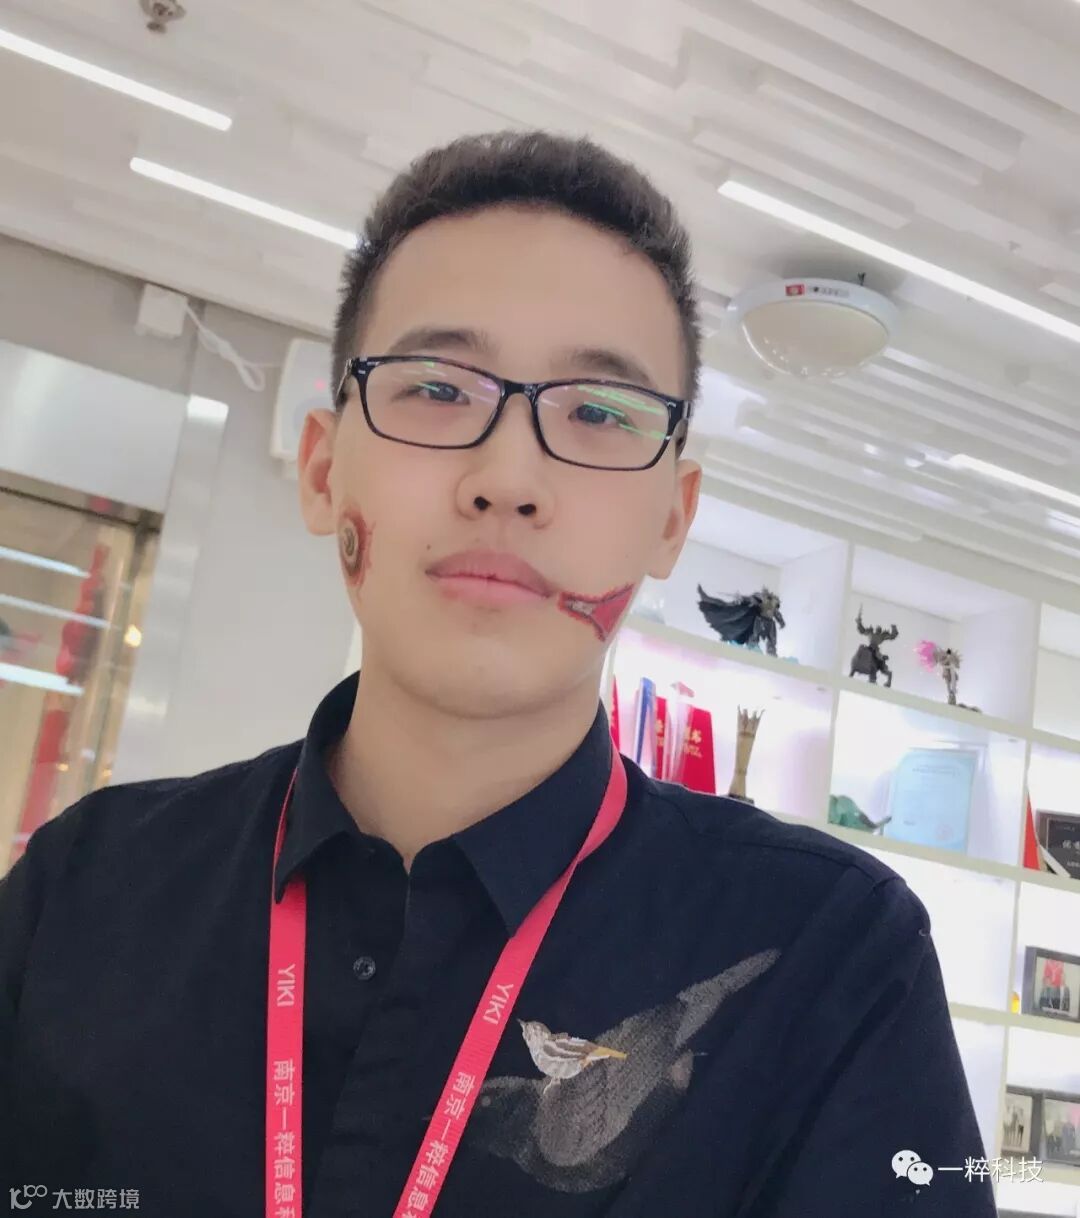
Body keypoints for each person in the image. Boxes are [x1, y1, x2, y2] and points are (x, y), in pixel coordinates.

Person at [0, 130, 994, 1217]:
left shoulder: (831, 957)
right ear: (324, 470)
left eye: (600, 413)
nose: (508, 477)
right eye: (435, 389)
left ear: (672, 520)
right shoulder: (84, 891)